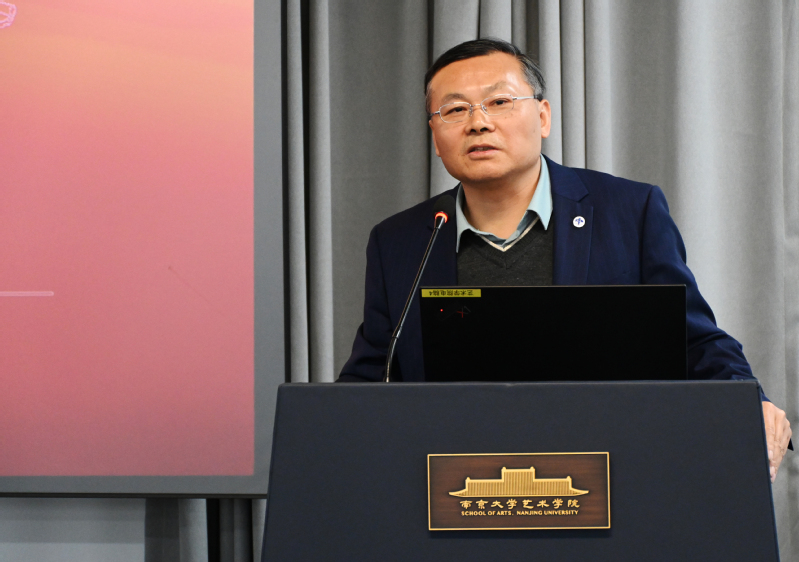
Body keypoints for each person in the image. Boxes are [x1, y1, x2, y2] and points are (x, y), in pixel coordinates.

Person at [337, 38, 791, 481]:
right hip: (458, 485)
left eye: (499, 102)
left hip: (611, 475)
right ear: (436, 137)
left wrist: (748, 402)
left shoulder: (628, 212)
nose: (478, 123)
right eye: (455, 110)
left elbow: (690, 339)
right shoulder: (400, 241)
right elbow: (374, 375)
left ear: (543, 116)